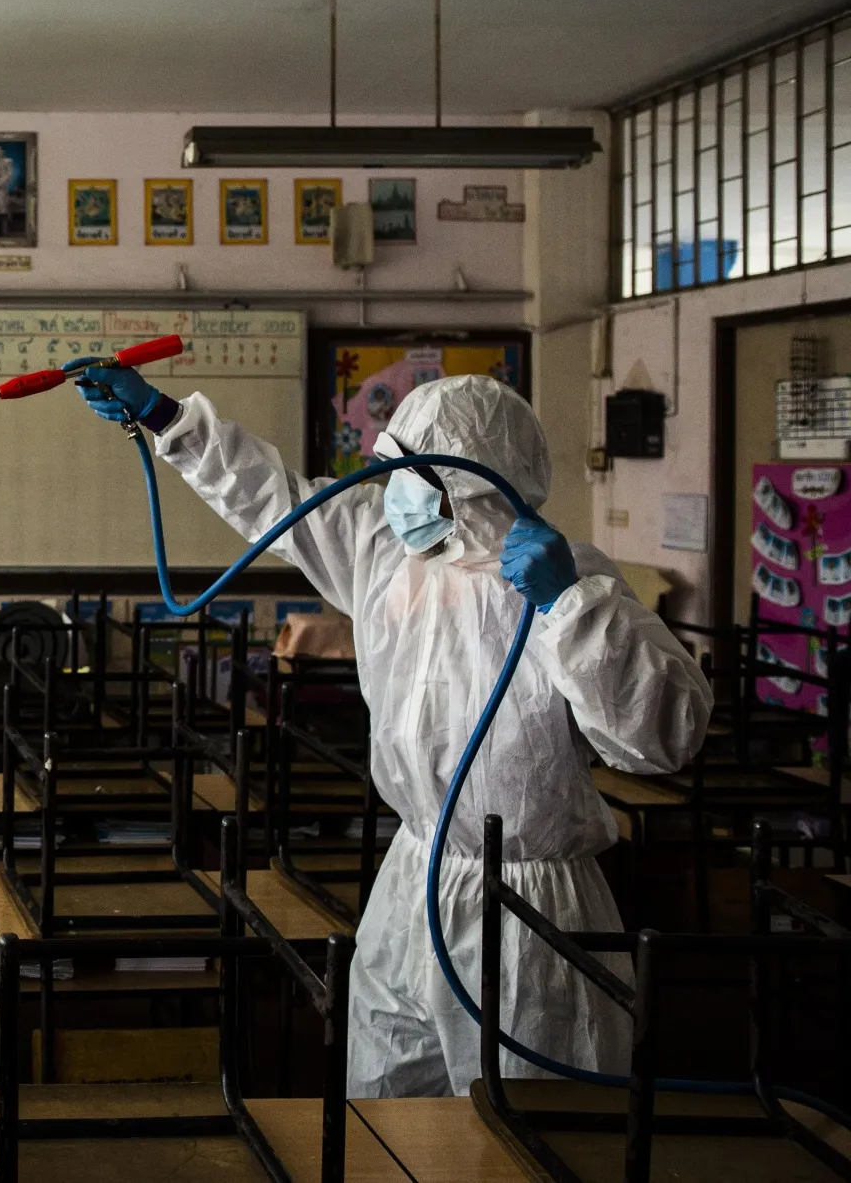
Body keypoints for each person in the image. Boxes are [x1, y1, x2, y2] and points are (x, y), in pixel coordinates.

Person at [65, 366, 711, 1097]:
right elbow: (276, 498)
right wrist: (167, 418)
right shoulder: (386, 555)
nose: (392, 487)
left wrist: (572, 604)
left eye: (411, 471)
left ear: (468, 487)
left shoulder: (563, 581)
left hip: (528, 911)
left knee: (527, 1131)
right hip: (412, 877)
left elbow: (665, 736)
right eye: (392, 464)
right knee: (382, 1099)